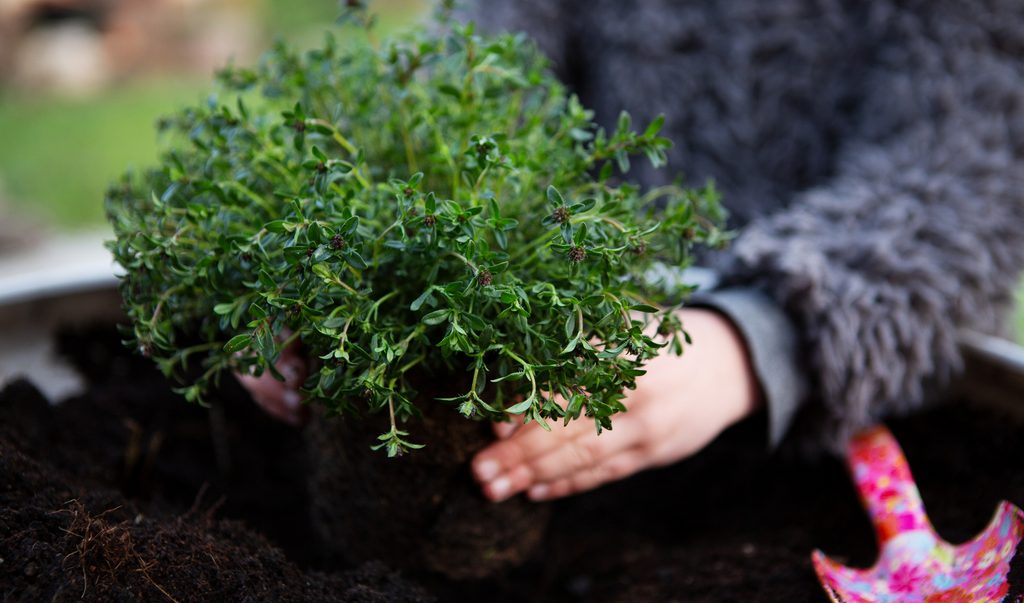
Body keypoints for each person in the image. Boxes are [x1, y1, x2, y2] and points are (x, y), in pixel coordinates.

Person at [245, 0, 1024, 504]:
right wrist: (336, 254)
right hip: (571, 379)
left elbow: (966, 173)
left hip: (835, 417)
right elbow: (473, 79)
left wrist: (748, 346)